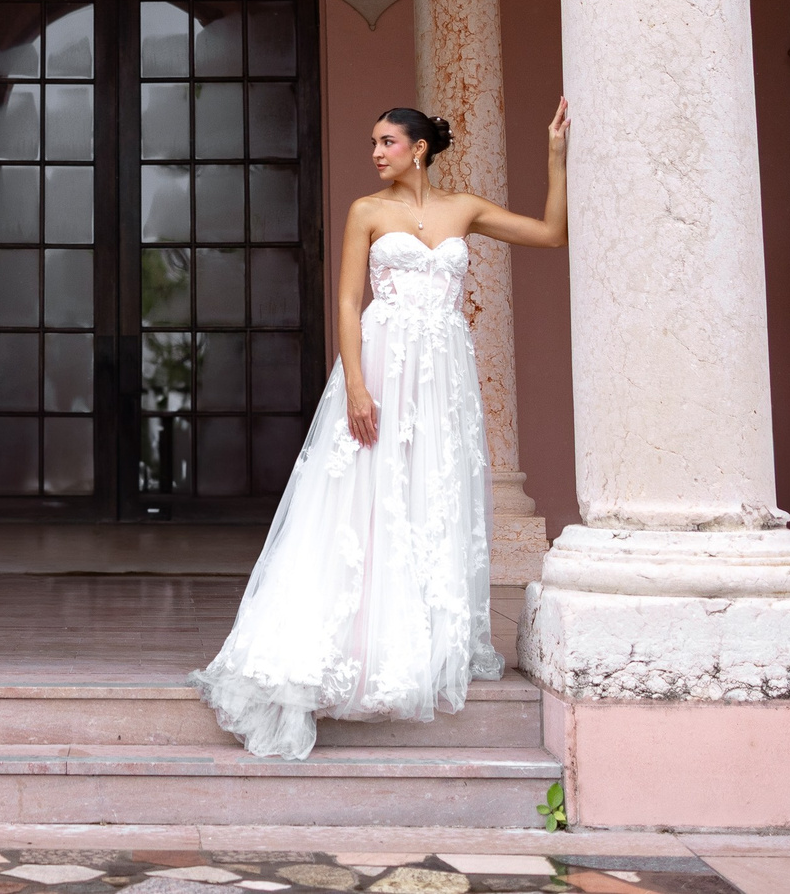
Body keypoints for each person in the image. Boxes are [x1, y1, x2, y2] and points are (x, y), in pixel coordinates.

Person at [190, 98, 570, 759]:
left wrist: (556, 158)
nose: (376, 151)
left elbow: (550, 235)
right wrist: (357, 383)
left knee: (434, 493)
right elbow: (345, 299)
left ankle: (423, 636)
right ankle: (353, 640)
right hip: (382, 363)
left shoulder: (465, 208)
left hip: (444, 376)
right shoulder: (367, 210)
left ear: (418, 147)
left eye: (387, 141)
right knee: (364, 493)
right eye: (373, 141)